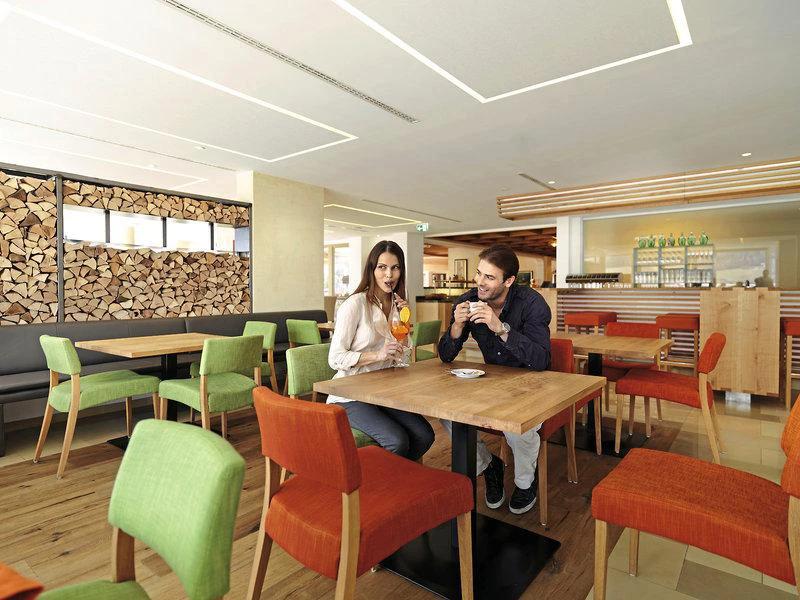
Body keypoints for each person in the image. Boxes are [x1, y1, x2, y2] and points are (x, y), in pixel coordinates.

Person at [438, 244, 551, 514]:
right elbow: (445, 356)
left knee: (517, 428)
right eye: (479, 273)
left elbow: (542, 360)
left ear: (508, 281)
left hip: (532, 383)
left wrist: (500, 328)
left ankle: (525, 483)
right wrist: (456, 326)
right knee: (448, 414)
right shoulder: (467, 300)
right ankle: (489, 466)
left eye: (489, 277)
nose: (480, 282)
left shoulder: (532, 303)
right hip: (491, 382)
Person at [328, 240, 435, 461]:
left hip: (383, 392)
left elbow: (404, 357)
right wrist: (377, 355)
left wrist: (405, 328)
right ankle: (382, 481)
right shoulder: (355, 304)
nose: (389, 274)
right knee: (397, 440)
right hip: (350, 395)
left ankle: (398, 476)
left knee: (424, 435)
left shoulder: (399, 307)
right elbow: (335, 358)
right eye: (382, 267)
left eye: (395, 268)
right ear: (372, 269)